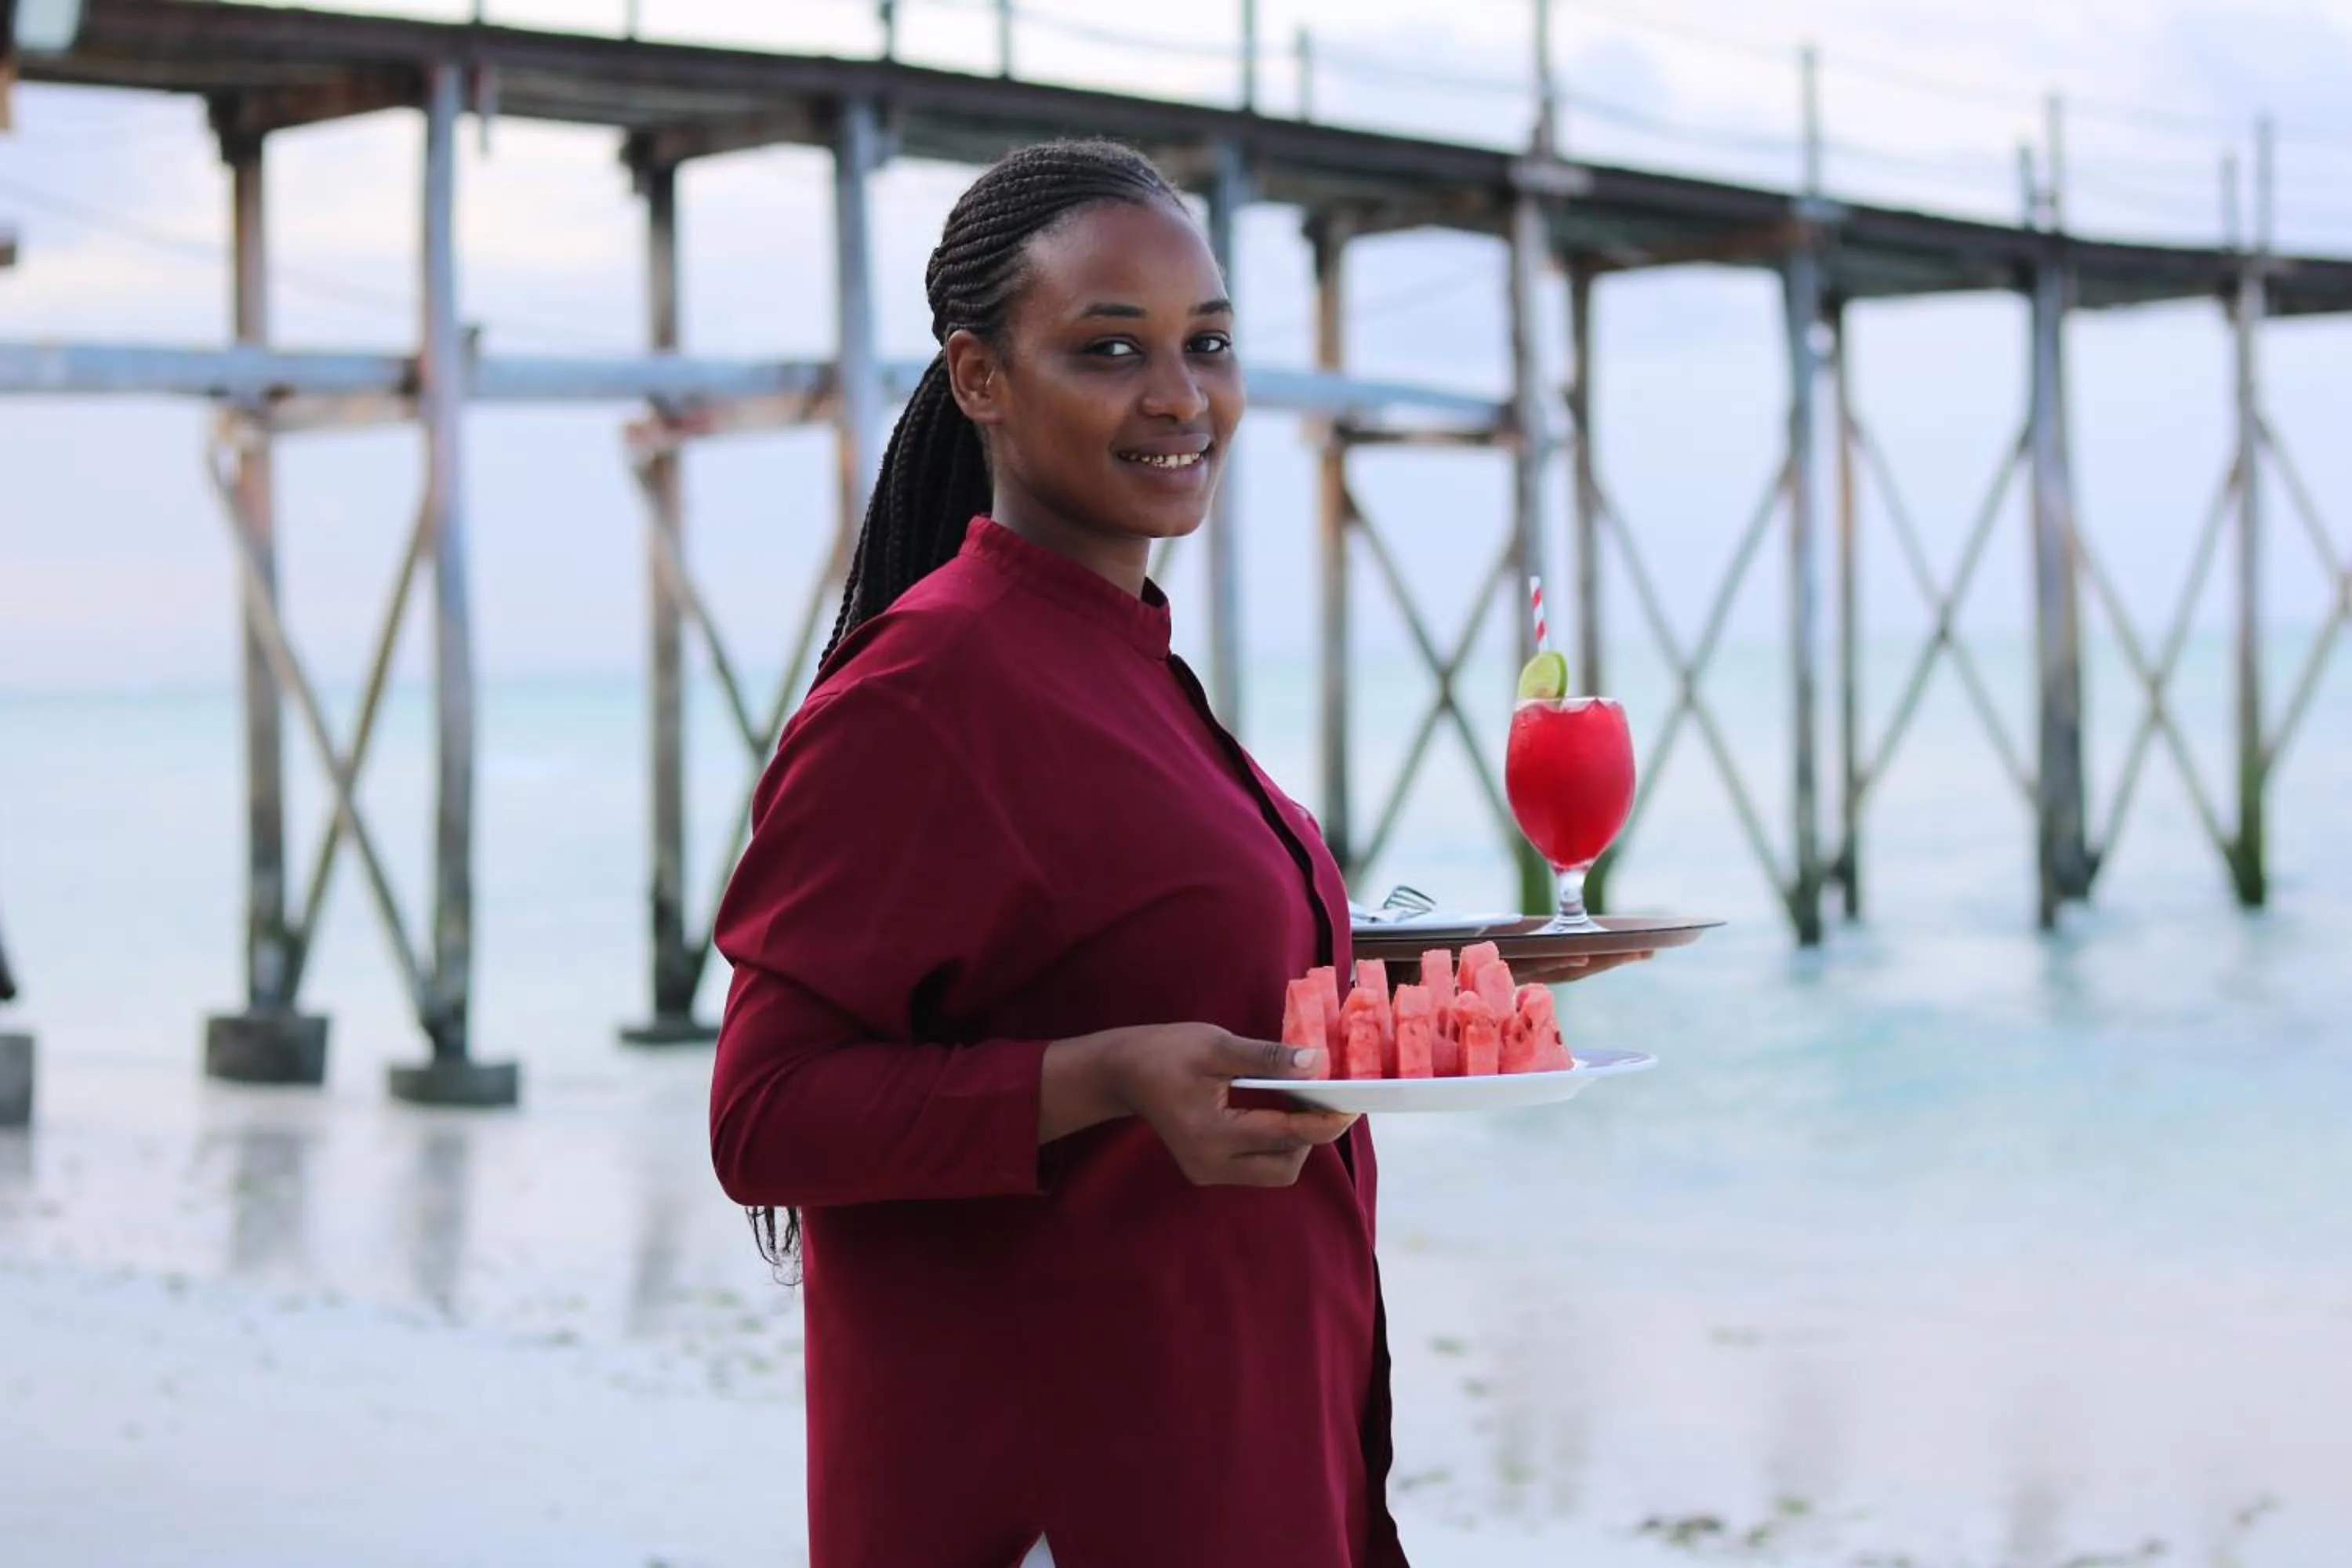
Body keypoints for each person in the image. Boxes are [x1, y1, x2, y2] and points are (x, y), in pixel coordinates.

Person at [708, 138, 1634, 1568]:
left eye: (1208, 342)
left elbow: (1122, 953)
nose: (1178, 396)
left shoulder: (1124, 664)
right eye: (1108, 349)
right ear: (981, 381)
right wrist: (1116, 1076)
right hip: (1067, 1486)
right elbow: (765, 1118)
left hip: (1246, 1440)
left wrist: (1439, 977)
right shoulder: (928, 691)